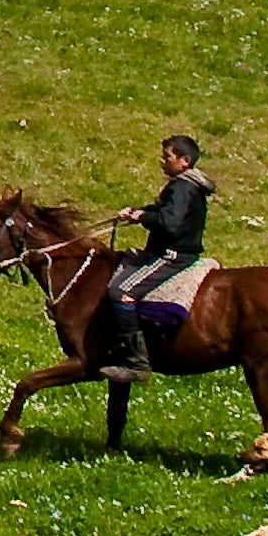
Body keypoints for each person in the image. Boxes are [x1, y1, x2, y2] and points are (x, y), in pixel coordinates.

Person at [96, 133, 214, 375]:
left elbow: (169, 223)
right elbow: (163, 211)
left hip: (172, 256)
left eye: (167, 157)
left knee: (121, 293)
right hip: (175, 252)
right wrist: (139, 211)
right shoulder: (186, 185)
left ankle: (136, 362)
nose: (162, 162)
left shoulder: (183, 187)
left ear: (185, 161)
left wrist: (142, 218)